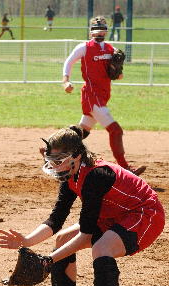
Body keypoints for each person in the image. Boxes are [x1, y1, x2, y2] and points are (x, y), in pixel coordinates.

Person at [0, 126, 165, 286]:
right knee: (63, 239)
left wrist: (48, 261)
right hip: (112, 216)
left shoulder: (96, 176)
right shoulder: (71, 175)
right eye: (51, 161)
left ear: (76, 156)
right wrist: (26, 240)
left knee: (101, 248)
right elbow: (56, 219)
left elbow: (86, 234)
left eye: (59, 160)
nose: (55, 166)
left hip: (144, 215)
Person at [62, 16, 145, 176]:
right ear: (91, 31)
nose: (99, 32)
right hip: (92, 96)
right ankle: (125, 168)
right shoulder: (84, 47)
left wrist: (118, 73)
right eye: (96, 28)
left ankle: (52, 149)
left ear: (106, 31)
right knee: (116, 131)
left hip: (103, 96)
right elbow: (69, 62)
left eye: (102, 28)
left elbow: (117, 74)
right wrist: (66, 81)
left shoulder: (110, 49)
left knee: (81, 133)